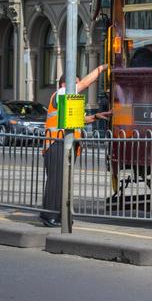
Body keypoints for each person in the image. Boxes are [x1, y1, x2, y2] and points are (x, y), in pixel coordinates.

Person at [41, 64, 107, 227]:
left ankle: (60, 215)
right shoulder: (61, 93)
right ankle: (49, 215)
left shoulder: (68, 100)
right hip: (56, 143)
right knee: (56, 181)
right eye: (74, 84)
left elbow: (81, 119)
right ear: (64, 85)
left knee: (63, 182)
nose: (78, 88)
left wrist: (97, 116)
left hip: (67, 145)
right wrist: (101, 68)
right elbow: (85, 83)